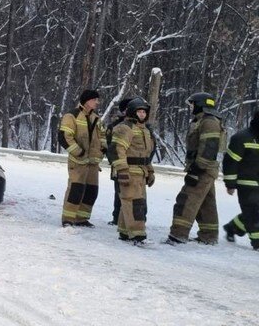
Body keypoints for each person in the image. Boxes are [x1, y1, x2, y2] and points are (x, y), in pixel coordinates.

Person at [167, 92, 225, 245]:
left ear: (200, 104)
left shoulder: (209, 122)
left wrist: (196, 169)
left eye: (193, 104)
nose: (191, 107)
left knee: (186, 200)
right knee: (207, 203)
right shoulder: (204, 120)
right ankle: (209, 236)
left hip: (202, 170)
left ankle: (178, 235)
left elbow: (209, 148)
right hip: (205, 169)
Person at [58, 89, 105, 227]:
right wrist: (79, 152)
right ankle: (68, 219)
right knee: (75, 190)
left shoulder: (95, 117)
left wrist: (102, 150)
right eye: (95, 100)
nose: (97, 102)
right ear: (87, 100)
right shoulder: (72, 116)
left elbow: (102, 136)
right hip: (78, 162)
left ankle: (82, 218)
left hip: (93, 163)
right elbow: (64, 137)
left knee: (91, 192)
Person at [110, 98, 155, 245]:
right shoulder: (125, 128)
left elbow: (146, 154)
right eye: (139, 111)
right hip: (129, 171)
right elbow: (117, 150)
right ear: (132, 112)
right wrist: (122, 170)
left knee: (130, 202)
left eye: (144, 112)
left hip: (141, 172)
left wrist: (150, 171)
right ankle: (137, 235)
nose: (142, 114)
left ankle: (124, 232)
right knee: (135, 203)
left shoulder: (145, 130)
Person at [222, 109, 259, 250]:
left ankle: (232, 227)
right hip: (246, 183)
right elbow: (231, 162)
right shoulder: (241, 138)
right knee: (253, 212)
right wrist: (230, 184)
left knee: (253, 212)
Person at [105, 97, 136, 225]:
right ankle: (117, 217)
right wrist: (117, 163)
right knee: (120, 192)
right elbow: (110, 147)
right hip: (119, 167)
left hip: (137, 167)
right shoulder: (115, 126)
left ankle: (135, 219)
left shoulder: (142, 127)